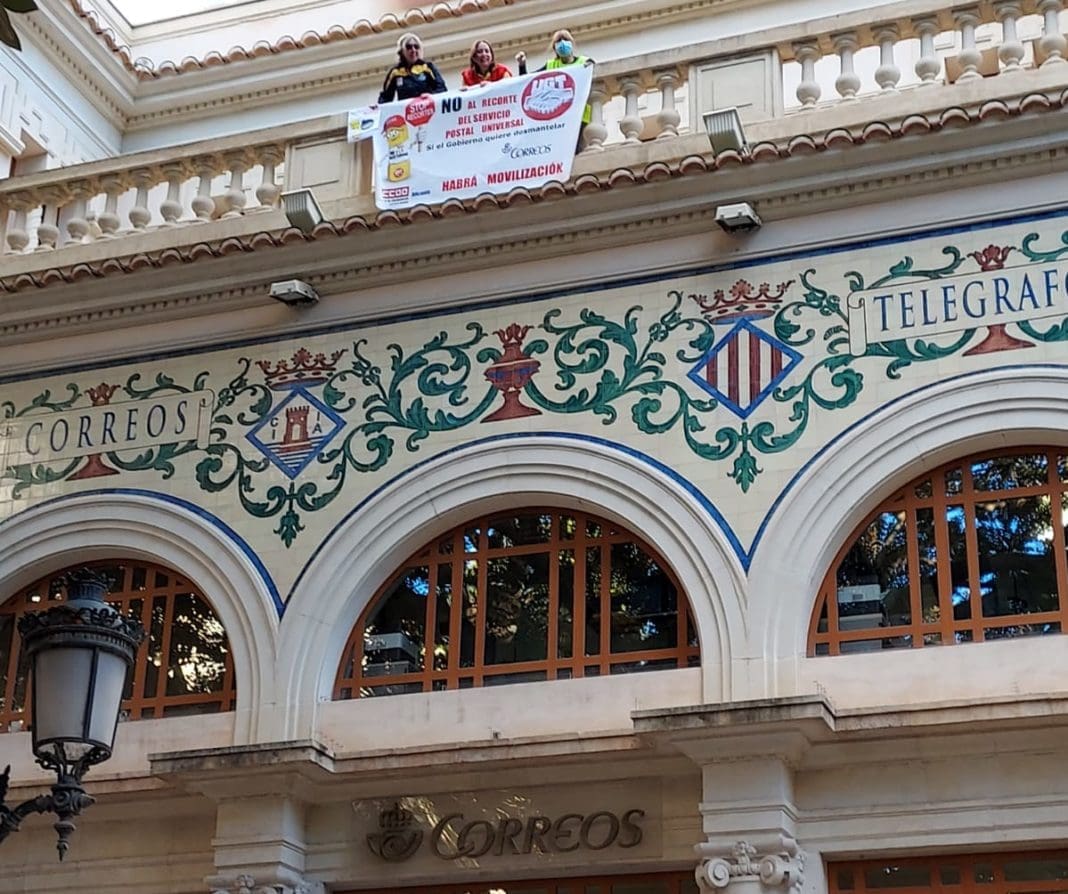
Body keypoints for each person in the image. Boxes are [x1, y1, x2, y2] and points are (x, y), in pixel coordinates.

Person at [517, 30, 593, 151]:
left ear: (571, 43)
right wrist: (522, 65)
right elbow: (528, 81)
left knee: (577, 151)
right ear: (554, 48)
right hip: (558, 118)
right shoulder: (551, 65)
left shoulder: (584, 62)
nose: (562, 43)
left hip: (580, 116)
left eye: (565, 40)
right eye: (559, 41)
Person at [378, 32, 447, 103]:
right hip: (406, 109)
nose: (413, 50)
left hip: (427, 107)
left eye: (416, 47)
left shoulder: (428, 67)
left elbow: (442, 88)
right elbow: (385, 97)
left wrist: (431, 96)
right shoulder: (395, 72)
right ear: (402, 51)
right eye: (409, 47)